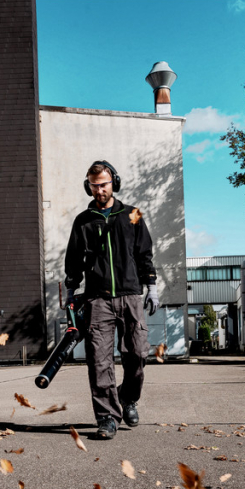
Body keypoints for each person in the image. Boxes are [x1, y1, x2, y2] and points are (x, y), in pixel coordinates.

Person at [63, 160, 159, 439]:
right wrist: (71, 291)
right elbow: (73, 259)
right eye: (94, 186)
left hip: (130, 295)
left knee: (137, 353)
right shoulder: (83, 221)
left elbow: (144, 253)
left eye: (103, 184)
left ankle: (127, 398)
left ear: (113, 183)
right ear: (88, 186)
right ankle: (107, 417)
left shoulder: (133, 215)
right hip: (97, 299)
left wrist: (151, 286)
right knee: (99, 361)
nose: (99, 190)